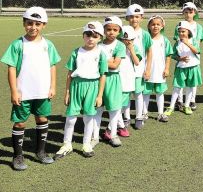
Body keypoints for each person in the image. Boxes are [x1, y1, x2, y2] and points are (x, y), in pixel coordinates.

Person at [0, 6, 61, 171]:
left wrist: (53, 86)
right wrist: (14, 90)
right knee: (20, 123)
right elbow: (11, 68)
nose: (33, 27)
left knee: (42, 119)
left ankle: (40, 152)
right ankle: (17, 156)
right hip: (23, 92)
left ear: (44, 25)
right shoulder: (18, 44)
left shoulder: (48, 45)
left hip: (42, 91)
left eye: (37, 24)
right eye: (29, 23)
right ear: (23, 23)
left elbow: (52, 66)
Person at [54, 22, 108, 160]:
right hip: (76, 86)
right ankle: (67, 144)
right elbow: (69, 73)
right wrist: (67, 92)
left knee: (88, 117)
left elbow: (103, 75)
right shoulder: (76, 52)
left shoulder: (101, 53)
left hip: (92, 86)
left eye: (95, 36)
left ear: (100, 38)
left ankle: (86, 144)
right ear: (83, 36)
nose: (91, 38)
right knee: (71, 118)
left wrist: (100, 95)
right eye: (88, 35)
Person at [95, 16, 126, 148]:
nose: (111, 32)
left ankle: (113, 134)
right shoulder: (97, 45)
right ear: (103, 30)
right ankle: (94, 136)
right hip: (98, 78)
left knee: (114, 109)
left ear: (119, 31)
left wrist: (100, 60)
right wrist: (109, 60)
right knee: (98, 108)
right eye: (108, 29)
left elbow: (114, 65)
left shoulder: (120, 45)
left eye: (115, 29)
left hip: (113, 79)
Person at [173, 2, 203, 111]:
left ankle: (192, 100)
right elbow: (177, 41)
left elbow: (199, 42)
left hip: (194, 56)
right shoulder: (179, 25)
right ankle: (179, 100)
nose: (188, 14)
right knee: (180, 79)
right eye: (185, 12)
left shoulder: (199, 27)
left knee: (193, 80)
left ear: (195, 13)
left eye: (190, 12)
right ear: (183, 13)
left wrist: (196, 52)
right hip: (182, 57)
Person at [166, 21, 202, 116]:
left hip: (193, 67)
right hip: (181, 68)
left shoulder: (194, 40)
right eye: (179, 31)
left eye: (183, 31)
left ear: (188, 32)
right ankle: (171, 106)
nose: (181, 33)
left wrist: (187, 43)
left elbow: (197, 51)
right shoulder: (177, 43)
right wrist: (180, 58)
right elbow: (173, 55)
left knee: (190, 87)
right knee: (177, 87)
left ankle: (186, 105)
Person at [125, 4, 152, 130]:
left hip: (138, 69)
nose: (134, 19)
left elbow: (149, 52)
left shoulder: (145, 34)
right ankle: (126, 117)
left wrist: (148, 69)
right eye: (131, 17)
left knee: (138, 94)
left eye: (137, 16)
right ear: (127, 18)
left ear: (141, 17)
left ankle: (139, 117)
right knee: (125, 94)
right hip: (124, 70)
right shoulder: (123, 31)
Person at [144, 15, 173, 122]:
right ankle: (144, 113)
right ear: (149, 26)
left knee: (160, 93)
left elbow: (168, 55)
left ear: (162, 26)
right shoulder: (145, 39)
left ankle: (160, 113)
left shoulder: (164, 40)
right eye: (153, 24)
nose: (155, 26)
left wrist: (167, 69)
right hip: (147, 71)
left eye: (158, 24)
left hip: (160, 71)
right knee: (146, 92)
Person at [117, 25, 141, 137]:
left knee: (125, 100)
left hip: (128, 77)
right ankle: (120, 120)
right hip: (116, 77)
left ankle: (123, 120)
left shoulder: (134, 48)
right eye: (123, 39)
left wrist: (131, 49)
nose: (126, 42)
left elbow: (137, 62)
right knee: (117, 101)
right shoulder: (117, 46)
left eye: (129, 40)